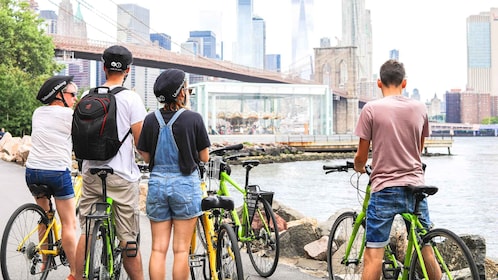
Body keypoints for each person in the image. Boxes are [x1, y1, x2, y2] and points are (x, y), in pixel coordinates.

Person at [353, 59, 441, 280]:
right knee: (426, 247)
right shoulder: (420, 108)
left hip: (385, 188)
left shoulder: (371, 109)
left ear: (379, 83)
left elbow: (361, 155)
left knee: (374, 256)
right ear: (404, 83)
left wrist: (359, 167)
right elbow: (418, 149)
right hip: (417, 187)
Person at [74, 45, 146, 280]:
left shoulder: (86, 97)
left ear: (103, 67)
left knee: (86, 228)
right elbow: (140, 142)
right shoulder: (132, 98)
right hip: (121, 176)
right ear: (128, 70)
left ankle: (78, 275)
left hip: (91, 173)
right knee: (128, 237)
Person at [137, 68, 210, 280]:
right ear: (181, 93)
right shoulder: (193, 118)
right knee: (180, 250)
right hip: (185, 186)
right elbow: (204, 157)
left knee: (158, 249)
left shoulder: (151, 119)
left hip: (158, 185)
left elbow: (146, 156)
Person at [25, 75, 79, 280]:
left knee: (44, 215)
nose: (75, 98)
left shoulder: (38, 112)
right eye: (72, 94)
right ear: (60, 95)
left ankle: (45, 263)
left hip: (32, 172)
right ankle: (75, 273)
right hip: (57, 172)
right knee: (69, 223)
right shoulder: (70, 115)